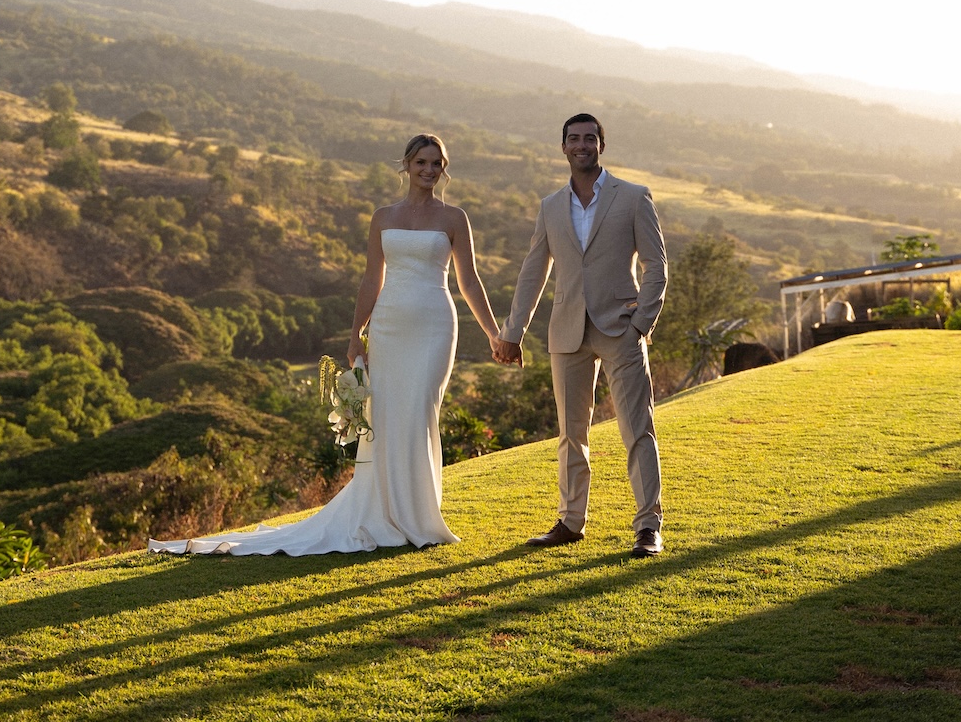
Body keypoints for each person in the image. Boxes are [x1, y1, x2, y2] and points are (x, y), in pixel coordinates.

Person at [150, 133, 513, 555]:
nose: (429, 171)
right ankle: (387, 513)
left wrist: (492, 333)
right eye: (422, 163)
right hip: (389, 326)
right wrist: (356, 332)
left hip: (434, 325)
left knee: (420, 412)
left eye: (437, 164)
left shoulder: (455, 218)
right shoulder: (382, 216)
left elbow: (469, 280)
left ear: (443, 169)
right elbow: (371, 278)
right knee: (388, 415)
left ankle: (420, 517)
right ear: (407, 166)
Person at [495, 113, 669, 558]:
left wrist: (640, 325)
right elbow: (534, 271)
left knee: (637, 430)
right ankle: (571, 522)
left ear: (601, 145)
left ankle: (648, 526)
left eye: (590, 138)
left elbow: (656, 268)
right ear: (563, 147)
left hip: (621, 331)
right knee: (572, 434)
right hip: (567, 333)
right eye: (574, 139)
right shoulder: (551, 206)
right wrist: (513, 331)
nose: (582, 145)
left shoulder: (633, 197)